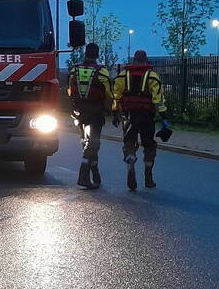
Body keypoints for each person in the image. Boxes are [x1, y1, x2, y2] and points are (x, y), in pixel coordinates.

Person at [113, 49, 168, 191]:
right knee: (149, 145)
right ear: (146, 59)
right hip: (147, 116)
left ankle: (130, 160)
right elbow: (158, 100)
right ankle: (148, 178)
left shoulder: (122, 75)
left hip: (129, 116)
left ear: (134, 59)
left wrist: (115, 113)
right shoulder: (152, 76)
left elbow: (116, 96)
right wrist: (164, 118)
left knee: (129, 142)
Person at [67, 42, 113, 189]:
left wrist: (74, 107)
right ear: (97, 54)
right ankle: (84, 175)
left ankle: (95, 174)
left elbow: (69, 90)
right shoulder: (102, 71)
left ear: (85, 53)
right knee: (94, 143)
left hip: (79, 112)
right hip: (95, 112)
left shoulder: (75, 69)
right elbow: (109, 93)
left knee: (86, 143)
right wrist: (114, 110)